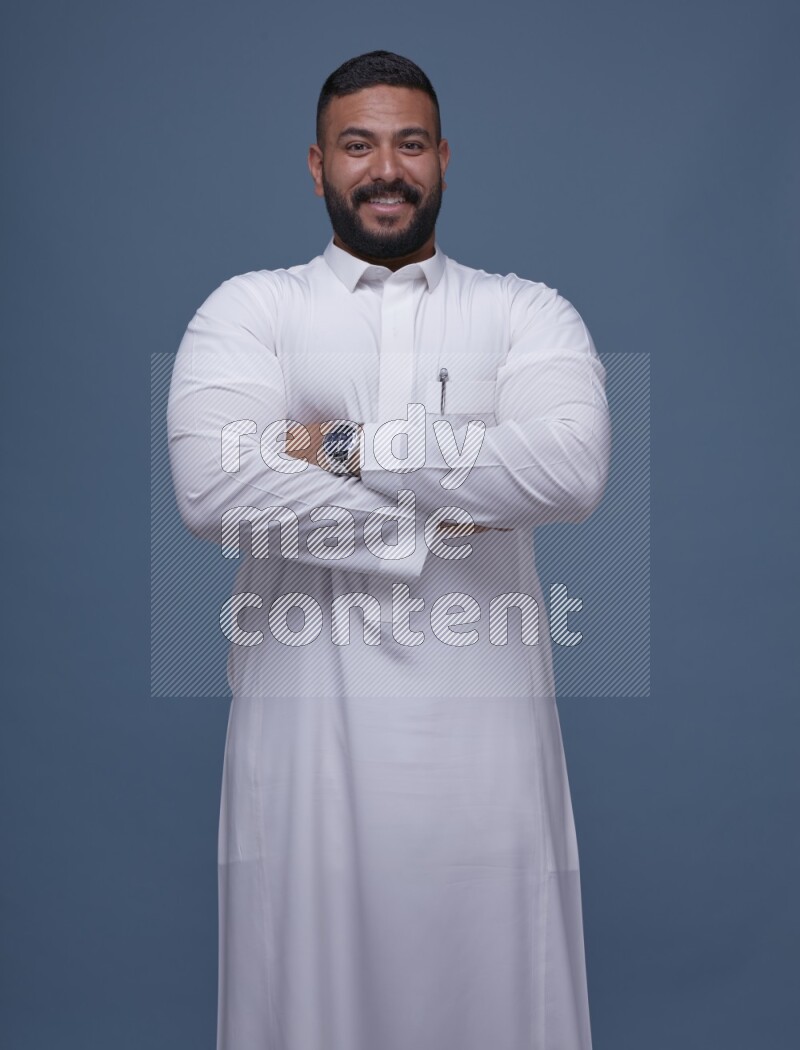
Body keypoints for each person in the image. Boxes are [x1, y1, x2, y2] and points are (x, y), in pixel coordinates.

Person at [167, 49, 611, 1050]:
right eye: (356, 145)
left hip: (484, 742)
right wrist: (442, 516)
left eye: (408, 144)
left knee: (496, 994)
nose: (385, 169)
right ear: (316, 166)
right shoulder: (253, 311)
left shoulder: (522, 313)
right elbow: (213, 488)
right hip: (304, 736)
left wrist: (345, 447)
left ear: (443, 158)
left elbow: (568, 473)